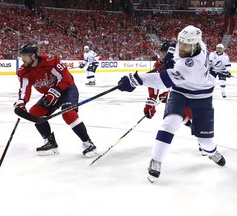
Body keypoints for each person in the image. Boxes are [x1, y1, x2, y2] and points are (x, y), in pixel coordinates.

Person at [117, 25, 226, 182]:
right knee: (170, 122)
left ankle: (211, 152)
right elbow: (175, 47)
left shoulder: (191, 65)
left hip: (201, 96)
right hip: (180, 91)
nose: (181, 47)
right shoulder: (194, 44)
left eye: (185, 45)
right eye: (180, 42)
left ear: (195, 46)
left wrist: (135, 80)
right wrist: (170, 54)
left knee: (206, 143)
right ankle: (156, 160)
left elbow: (163, 81)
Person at [14, 43, 98, 157]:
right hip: (50, 95)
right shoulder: (24, 71)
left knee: (68, 113)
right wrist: (21, 102)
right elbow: (24, 89)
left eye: (24, 56)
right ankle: (50, 143)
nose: (22, 58)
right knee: (35, 113)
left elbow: (67, 78)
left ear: (33, 56)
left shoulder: (50, 62)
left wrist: (57, 90)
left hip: (67, 90)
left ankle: (88, 144)